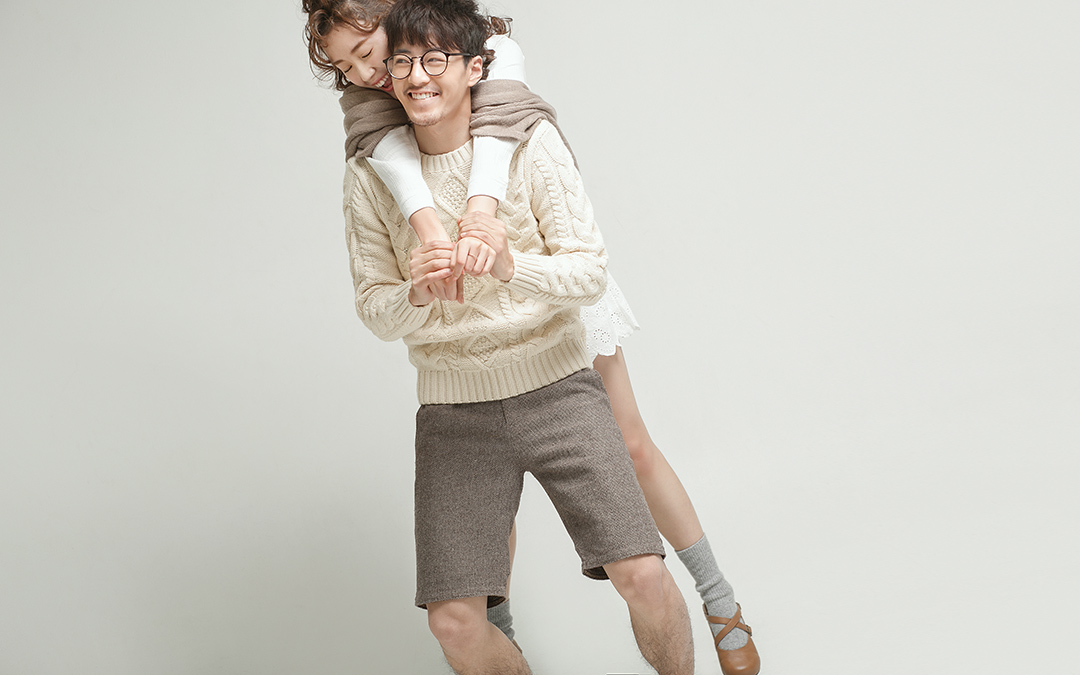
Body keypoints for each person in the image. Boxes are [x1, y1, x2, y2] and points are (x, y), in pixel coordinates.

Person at [303, 1, 759, 673]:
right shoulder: (378, 105)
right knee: (488, 490)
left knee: (629, 445)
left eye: (368, 53)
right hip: (461, 353)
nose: (366, 74)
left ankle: (718, 599)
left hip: (541, 290)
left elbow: (541, 203)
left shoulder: (467, 59)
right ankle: (502, 633)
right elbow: (390, 177)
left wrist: (490, 229)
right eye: (348, 67)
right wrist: (430, 245)